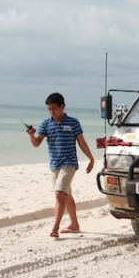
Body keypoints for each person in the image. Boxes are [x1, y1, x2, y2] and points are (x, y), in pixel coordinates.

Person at [27, 92, 95, 239]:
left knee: (59, 194)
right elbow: (36, 143)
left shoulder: (73, 122)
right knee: (66, 195)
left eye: (54, 108)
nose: (52, 111)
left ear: (62, 106)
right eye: (49, 109)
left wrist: (91, 159)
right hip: (54, 165)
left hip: (69, 163)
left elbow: (82, 142)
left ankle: (55, 228)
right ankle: (74, 224)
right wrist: (32, 135)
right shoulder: (46, 123)